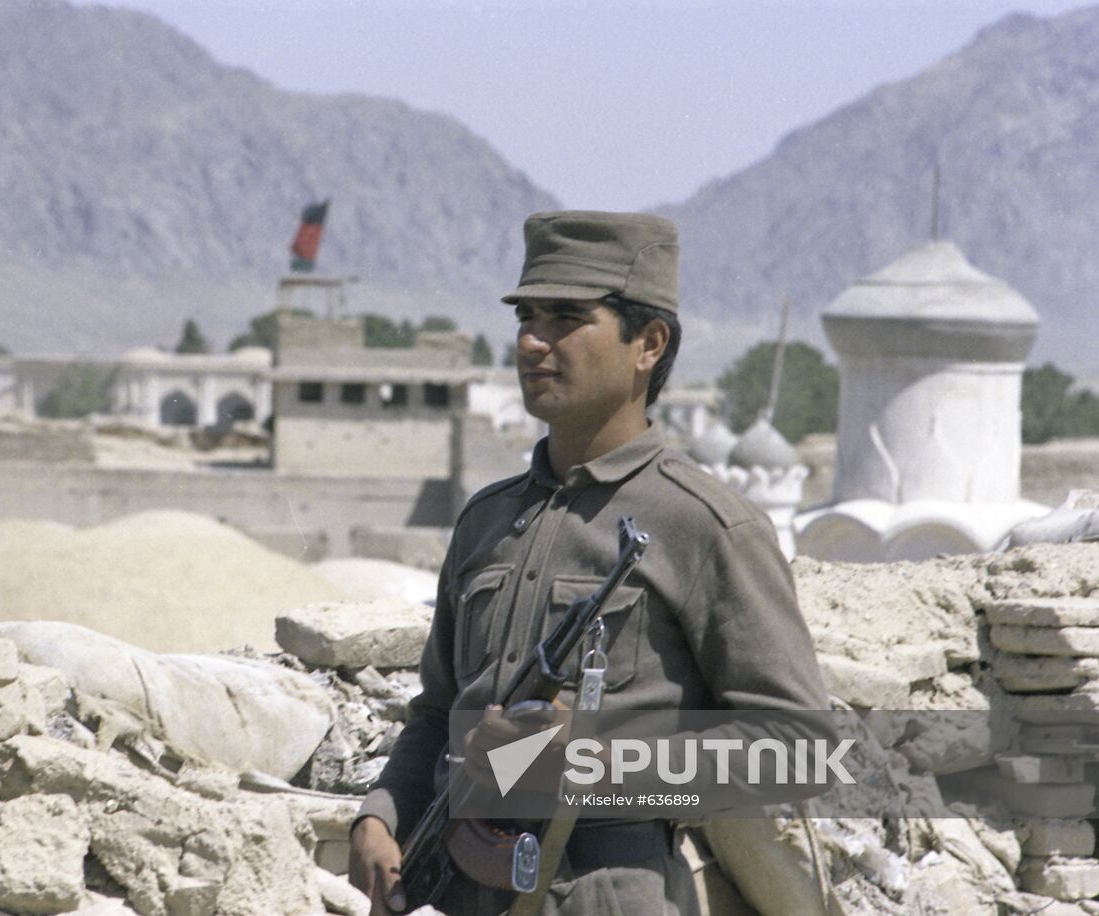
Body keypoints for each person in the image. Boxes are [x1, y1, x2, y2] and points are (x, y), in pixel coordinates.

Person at [348, 211, 829, 915]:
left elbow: (795, 746)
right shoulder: (487, 519)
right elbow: (439, 711)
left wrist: (598, 761)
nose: (532, 341)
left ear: (649, 343)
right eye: (527, 317)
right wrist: (380, 815)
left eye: (567, 318)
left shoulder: (704, 524)